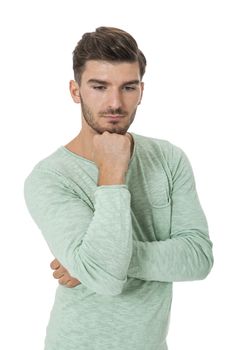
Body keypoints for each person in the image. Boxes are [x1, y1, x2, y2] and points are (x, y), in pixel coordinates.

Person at [24, 26, 214, 350]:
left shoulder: (169, 159)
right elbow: (107, 280)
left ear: (141, 91)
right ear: (75, 91)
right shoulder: (49, 178)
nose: (115, 103)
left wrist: (93, 262)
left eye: (128, 87)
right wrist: (112, 171)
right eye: (99, 87)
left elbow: (198, 258)